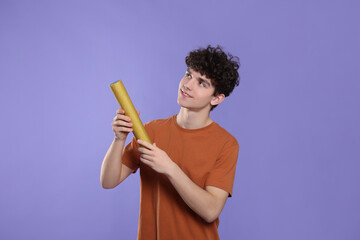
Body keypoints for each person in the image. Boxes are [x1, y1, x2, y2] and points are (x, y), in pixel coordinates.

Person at [100, 45, 240, 240]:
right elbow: (108, 181)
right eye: (188, 75)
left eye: (202, 83)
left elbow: (210, 211)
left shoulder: (226, 144)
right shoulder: (151, 131)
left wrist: (169, 168)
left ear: (216, 98)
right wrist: (119, 139)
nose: (188, 85)